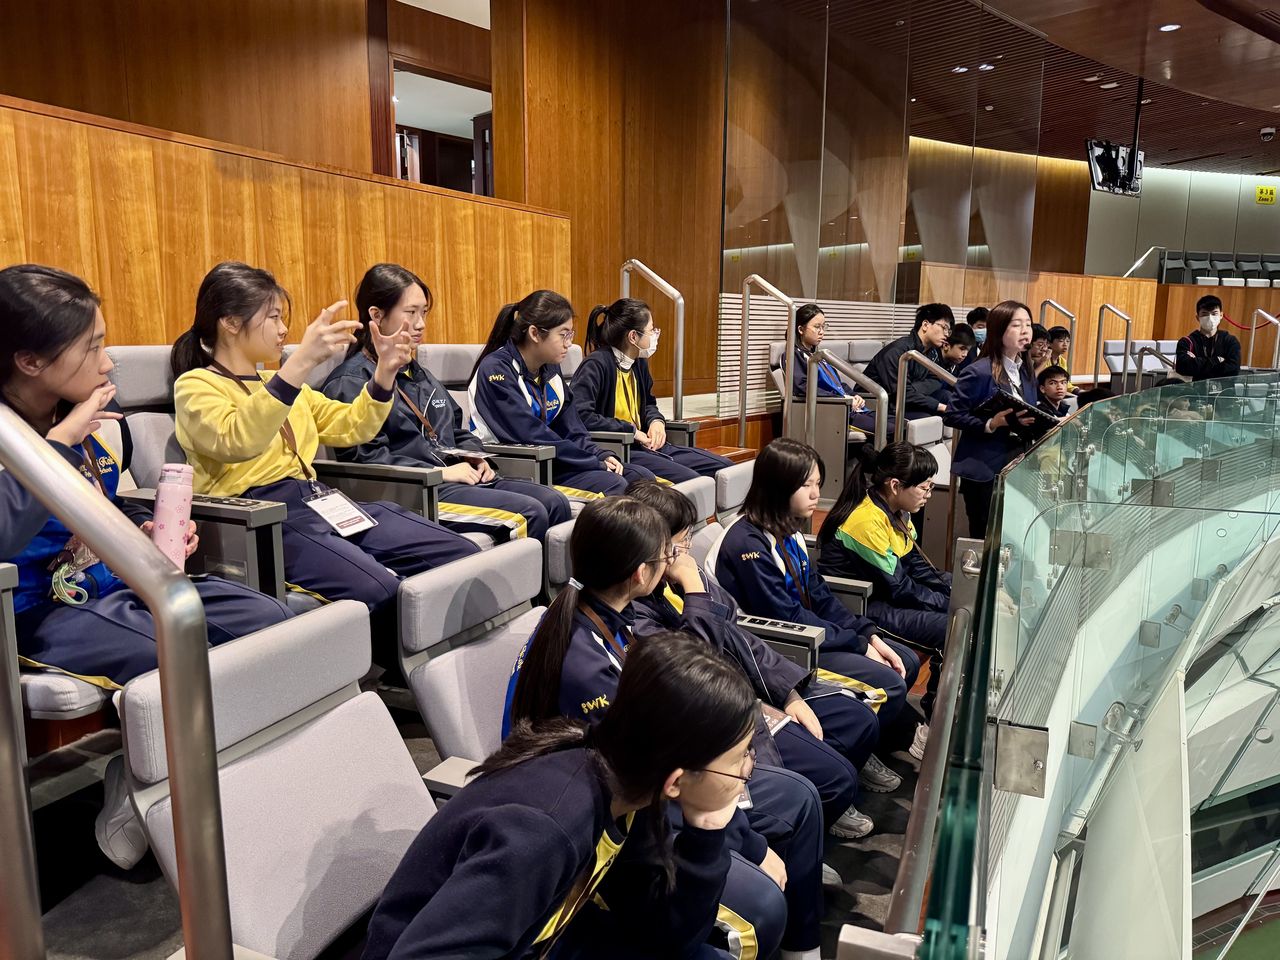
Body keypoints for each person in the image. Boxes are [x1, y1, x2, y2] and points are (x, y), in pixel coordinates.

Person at [0, 263, 293, 868]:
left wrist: (141, 537)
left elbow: (91, 514)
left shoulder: (75, 417)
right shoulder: (34, 432)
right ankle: (148, 787)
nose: (108, 363)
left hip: (111, 585)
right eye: (92, 347)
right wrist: (57, 448)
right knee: (186, 648)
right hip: (35, 614)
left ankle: (164, 778)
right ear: (29, 360)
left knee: (269, 621)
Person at [503, 498, 813, 959]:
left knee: (799, 796)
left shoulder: (611, 617)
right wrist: (739, 838)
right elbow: (644, 766)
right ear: (640, 573)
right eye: (667, 554)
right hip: (608, 821)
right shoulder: (587, 664)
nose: (674, 560)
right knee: (762, 908)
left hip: (645, 788)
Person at [365, 631, 764, 960]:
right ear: (675, 781)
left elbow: (661, 935)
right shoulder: (545, 830)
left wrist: (707, 831)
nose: (747, 769)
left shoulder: (632, 790)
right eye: (740, 758)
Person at [171, 261, 480, 630]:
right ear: (231, 323)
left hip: (320, 500)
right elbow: (237, 440)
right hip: (264, 517)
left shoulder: (280, 382)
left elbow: (352, 426)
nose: (284, 329)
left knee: (460, 552)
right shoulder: (196, 386)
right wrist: (299, 364)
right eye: (273, 317)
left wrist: (384, 372)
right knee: (380, 588)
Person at [627, 480, 886, 841]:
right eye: (681, 543)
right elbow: (695, 667)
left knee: (858, 718)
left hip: (758, 686)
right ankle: (800, 836)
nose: (686, 552)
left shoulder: (679, 582)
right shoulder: (638, 610)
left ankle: (818, 820)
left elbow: (738, 631)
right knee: (829, 778)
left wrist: (788, 692)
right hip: (723, 717)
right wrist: (694, 587)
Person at [705, 438, 922, 774]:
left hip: (808, 634)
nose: (816, 494)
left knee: (905, 659)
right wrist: (857, 644)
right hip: (780, 647)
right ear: (778, 486)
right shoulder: (746, 542)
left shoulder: (788, 529)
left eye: (818, 484)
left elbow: (818, 594)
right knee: (890, 682)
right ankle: (851, 757)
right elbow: (785, 616)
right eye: (806, 485)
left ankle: (868, 744)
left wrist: (867, 635)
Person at [321, 263, 571, 542]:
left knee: (554, 501)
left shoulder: (418, 373)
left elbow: (455, 429)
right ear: (376, 315)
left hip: (456, 478)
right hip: (418, 490)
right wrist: (441, 472)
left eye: (424, 312)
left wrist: (475, 456)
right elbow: (367, 460)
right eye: (411, 312)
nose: (421, 324)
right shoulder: (351, 381)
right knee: (530, 512)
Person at [815, 443, 949, 759]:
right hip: (863, 607)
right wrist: (949, 604)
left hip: (887, 596)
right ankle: (931, 729)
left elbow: (918, 567)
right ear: (895, 485)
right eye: (925, 487)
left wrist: (955, 592)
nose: (929, 494)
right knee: (951, 629)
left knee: (958, 604)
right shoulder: (865, 520)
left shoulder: (896, 512)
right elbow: (901, 588)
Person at [468, 290, 653, 502]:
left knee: (639, 477)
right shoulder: (496, 369)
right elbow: (530, 435)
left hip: (553, 460)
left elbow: (572, 427)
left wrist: (598, 453)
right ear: (535, 333)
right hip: (516, 464)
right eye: (563, 334)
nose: (569, 343)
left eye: (571, 334)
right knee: (615, 483)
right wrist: (591, 461)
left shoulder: (550, 369)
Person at [570, 297, 733, 483]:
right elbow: (581, 415)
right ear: (633, 337)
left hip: (648, 445)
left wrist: (656, 421)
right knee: (693, 481)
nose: (655, 335)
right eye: (651, 330)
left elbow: (648, 403)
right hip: (622, 448)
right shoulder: (596, 364)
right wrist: (631, 431)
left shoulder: (639, 363)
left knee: (724, 467)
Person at [943, 300, 1038, 539]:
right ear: (998, 330)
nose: (1025, 330)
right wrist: (991, 424)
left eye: (1028, 324)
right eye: (1017, 325)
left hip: (1018, 465)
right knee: (986, 538)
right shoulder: (979, 371)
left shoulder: (1026, 371)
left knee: (1013, 537)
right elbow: (953, 415)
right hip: (985, 468)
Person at [787, 304, 877, 436]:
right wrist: (843, 399)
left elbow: (838, 384)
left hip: (849, 407)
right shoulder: (794, 355)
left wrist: (854, 395)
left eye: (823, 327)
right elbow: (803, 387)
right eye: (817, 327)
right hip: (834, 411)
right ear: (801, 329)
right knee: (890, 428)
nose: (821, 332)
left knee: (899, 423)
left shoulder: (818, 356)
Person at [864, 303, 953, 416]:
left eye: (949, 331)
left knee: (946, 396)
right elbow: (901, 392)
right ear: (925, 325)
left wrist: (915, 390)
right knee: (928, 416)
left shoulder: (932, 353)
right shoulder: (898, 351)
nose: (947, 334)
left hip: (907, 398)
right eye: (944, 328)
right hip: (881, 403)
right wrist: (939, 406)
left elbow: (935, 380)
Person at [1175, 295, 1241, 382]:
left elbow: (1233, 369)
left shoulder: (1230, 341)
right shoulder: (1186, 342)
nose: (1210, 318)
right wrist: (1217, 360)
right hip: (1196, 389)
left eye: (1214, 313)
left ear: (1221, 315)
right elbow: (1182, 367)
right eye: (1204, 314)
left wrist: (1197, 362)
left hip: (1224, 389)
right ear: (1197, 317)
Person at [956, 307, 988, 375]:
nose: (984, 331)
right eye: (980, 327)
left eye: (987, 327)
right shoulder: (962, 344)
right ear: (970, 327)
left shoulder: (990, 345)